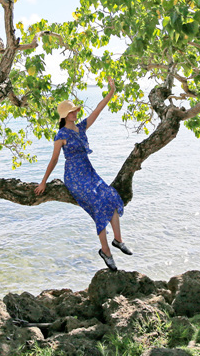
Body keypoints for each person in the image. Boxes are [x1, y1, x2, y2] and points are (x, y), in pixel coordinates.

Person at [35, 78, 132, 271]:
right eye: (71, 112)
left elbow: (97, 110)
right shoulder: (61, 135)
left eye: (74, 111)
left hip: (89, 171)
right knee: (98, 204)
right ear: (64, 115)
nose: (74, 113)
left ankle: (118, 240)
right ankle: (105, 251)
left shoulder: (81, 127)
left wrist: (111, 92)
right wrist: (43, 181)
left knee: (111, 196)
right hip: (74, 176)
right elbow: (54, 160)